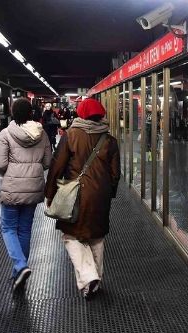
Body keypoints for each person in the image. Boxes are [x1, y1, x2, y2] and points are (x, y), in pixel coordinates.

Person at [45, 98, 120, 300]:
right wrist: (108, 194)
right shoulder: (110, 140)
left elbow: (56, 167)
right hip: (100, 195)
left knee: (71, 236)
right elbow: (115, 174)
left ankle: (88, 277)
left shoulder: (71, 135)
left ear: (81, 114)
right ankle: (95, 281)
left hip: (76, 196)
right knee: (96, 237)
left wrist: (50, 193)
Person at [0, 98, 52, 292]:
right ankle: (18, 274)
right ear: (31, 112)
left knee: (8, 228)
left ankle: (20, 266)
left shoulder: (6, 133)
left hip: (12, 186)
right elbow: (47, 162)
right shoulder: (41, 134)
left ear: (12, 112)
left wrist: (13, 171)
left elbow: (1, 164)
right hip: (35, 186)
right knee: (25, 229)